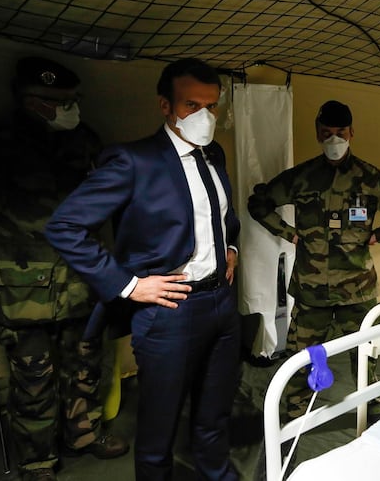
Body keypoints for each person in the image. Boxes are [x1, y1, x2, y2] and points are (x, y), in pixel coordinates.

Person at [45, 58, 241, 481]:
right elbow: (64, 226)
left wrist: (232, 247)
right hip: (172, 309)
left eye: (212, 106)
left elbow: (218, 213)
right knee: (160, 426)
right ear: (165, 106)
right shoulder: (135, 160)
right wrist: (128, 285)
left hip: (221, 301)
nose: (205, 116)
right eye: (192, 105)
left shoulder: (215, 154)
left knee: (215, 411)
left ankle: (218, 475)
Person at [0, 56, 129, 481]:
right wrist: (0, 265)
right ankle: (38, 459)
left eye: (71, 100)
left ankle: (83, 434)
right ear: (28, 99)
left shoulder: (86, 143)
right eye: (54, 100)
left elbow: (107, 206)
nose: (68, 108)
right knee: (32, 381)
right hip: (20, 293)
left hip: (81, 285)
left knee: (85, 367)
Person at [247, 100, 380, 420]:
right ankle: (295, 407)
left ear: (352, 133)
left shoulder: (371, 179)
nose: (334, 140)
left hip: (356, 288)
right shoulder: (301, 178)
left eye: (340, 133)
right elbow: (258, 204)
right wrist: (288, 233)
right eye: (327, 133)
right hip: (311, 288)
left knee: (364, 350)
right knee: (304, 352)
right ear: (318, 134)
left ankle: (370, 399)